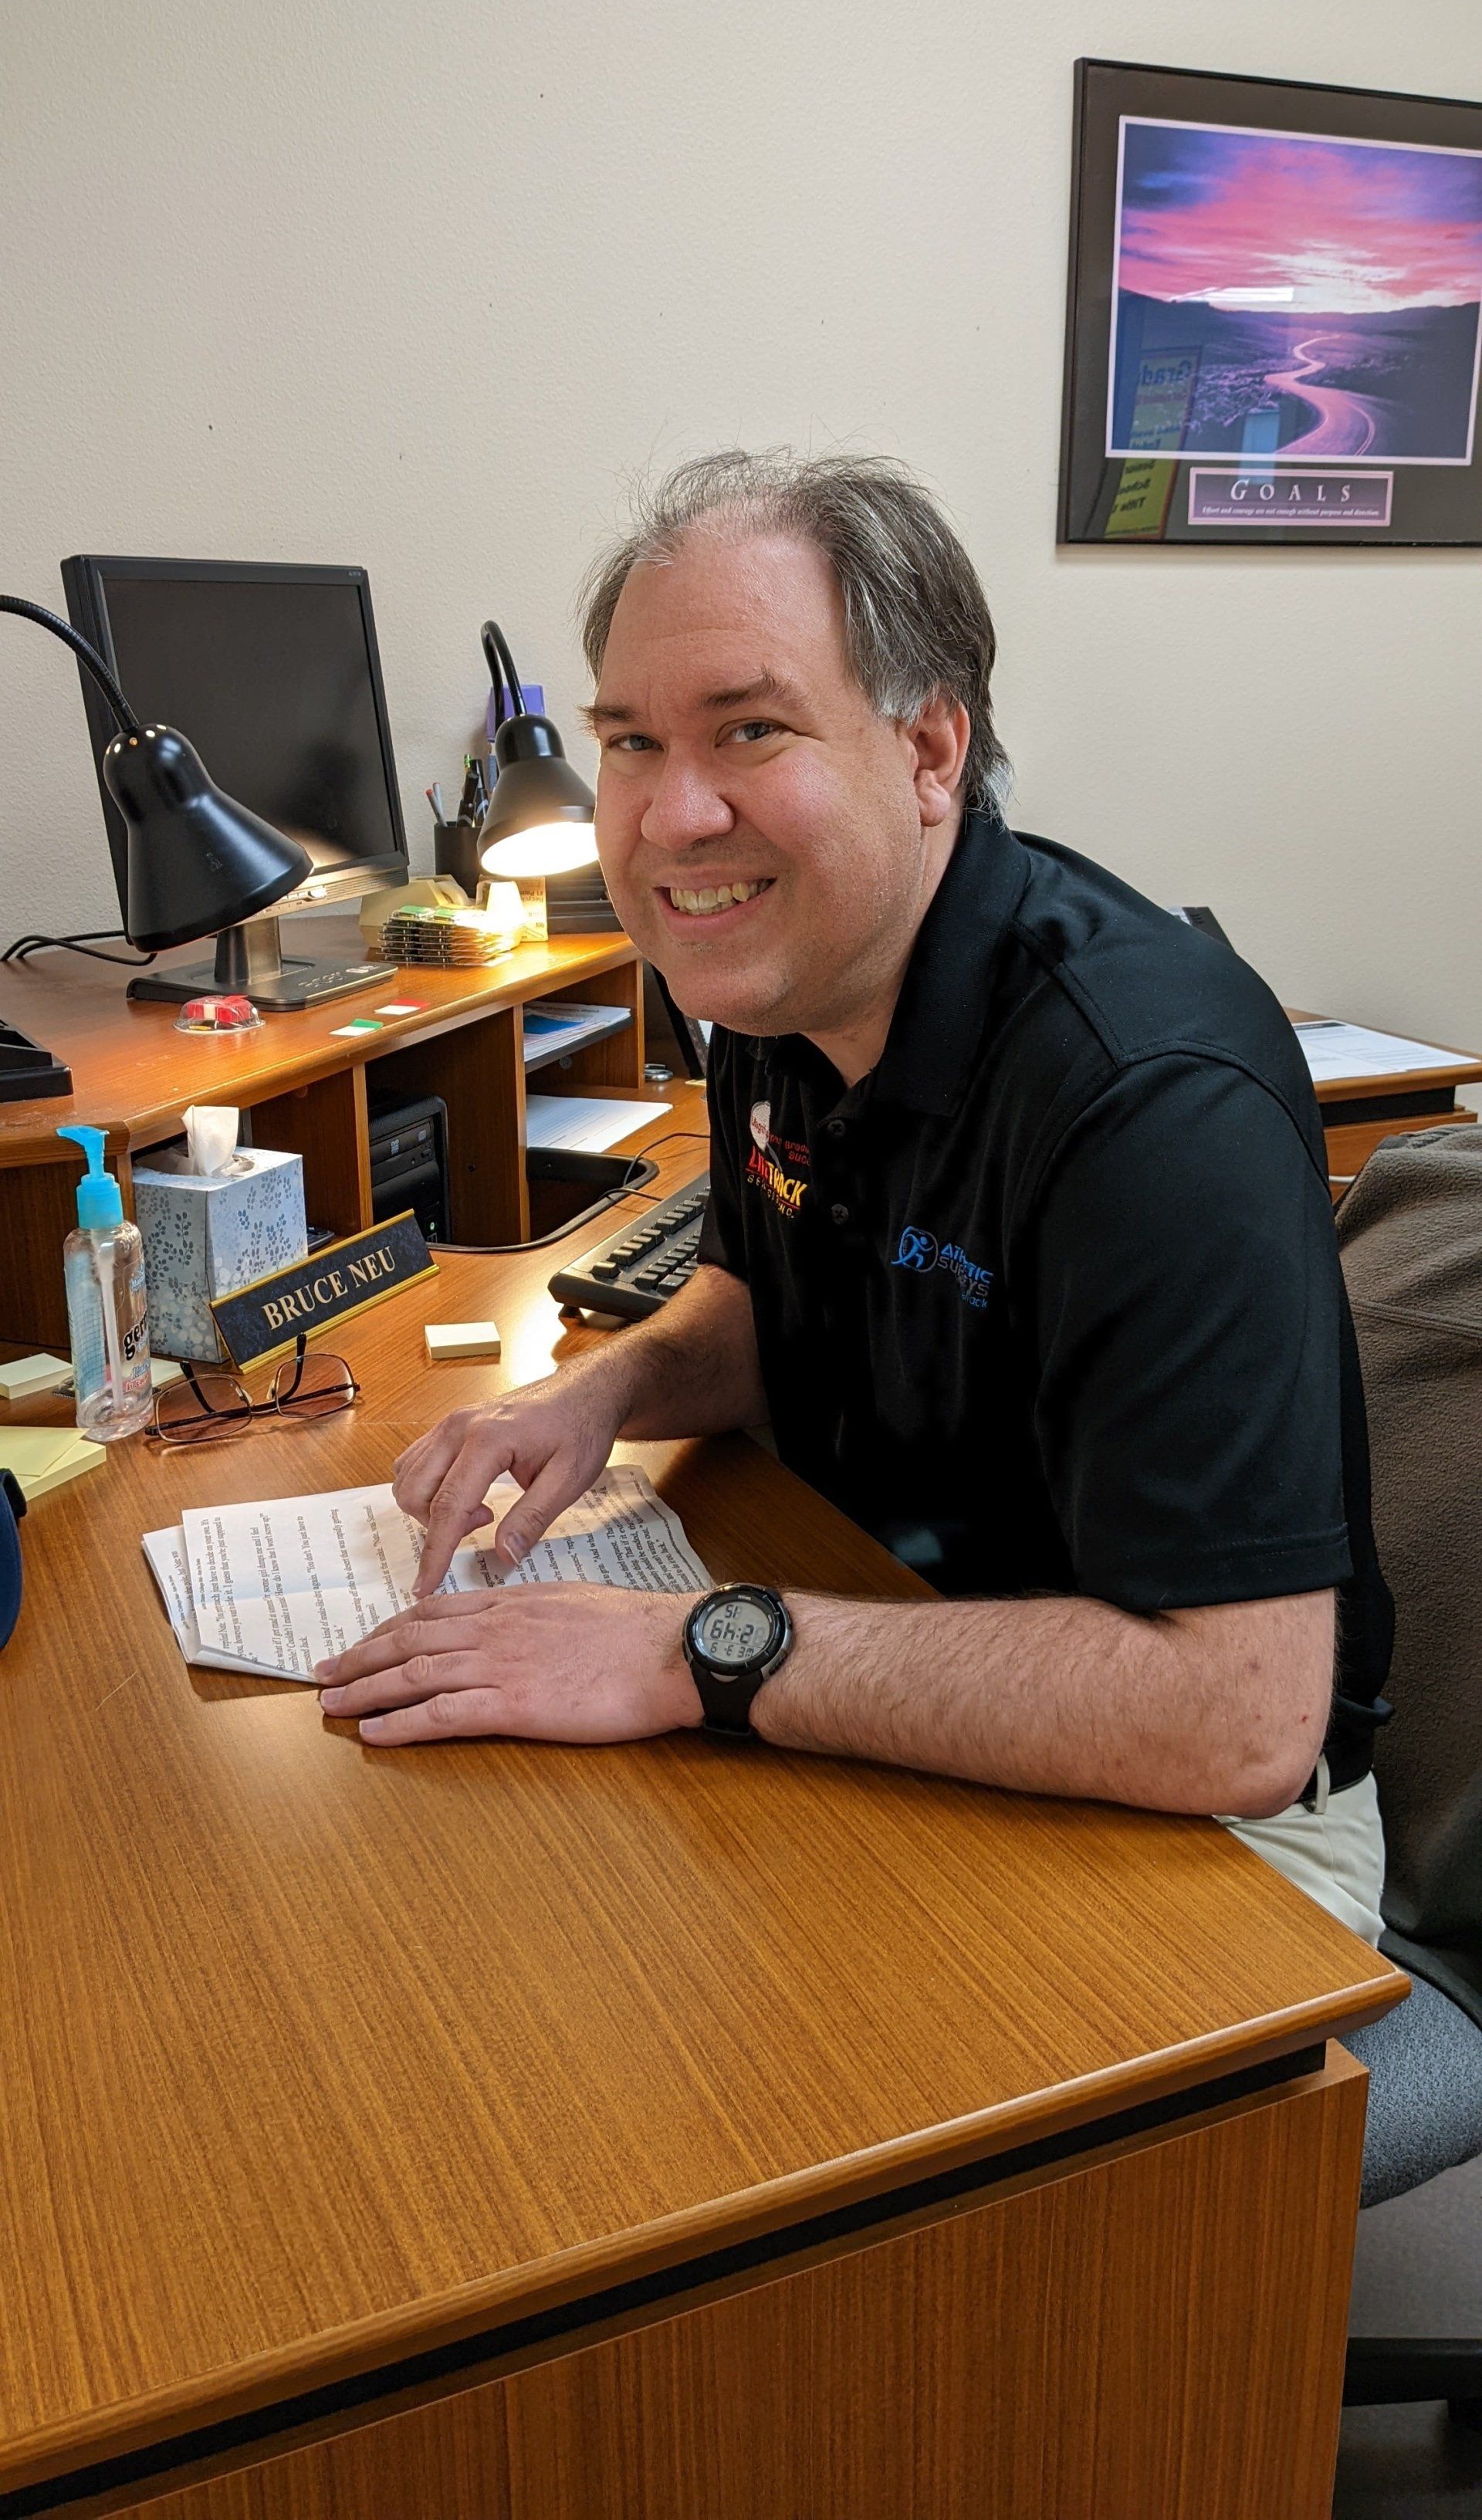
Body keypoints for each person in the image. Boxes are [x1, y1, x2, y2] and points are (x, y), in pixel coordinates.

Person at [315, 450, 1394, 1944]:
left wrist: (695, 1652)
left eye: (750, 731)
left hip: (1205, 1822)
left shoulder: (1146, 1093)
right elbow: (772, 1294)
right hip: (893, 1645)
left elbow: (1232, 1719)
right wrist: (603, 1391)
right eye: (629, 742)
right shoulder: (776, 981)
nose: (672, 819)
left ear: (933, 751)